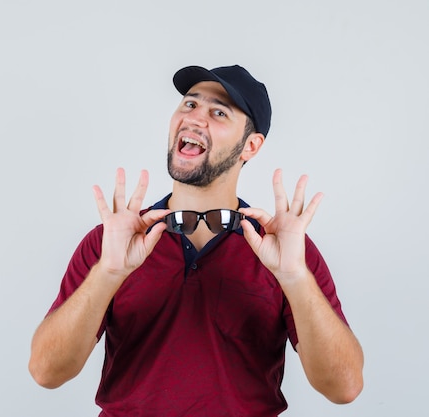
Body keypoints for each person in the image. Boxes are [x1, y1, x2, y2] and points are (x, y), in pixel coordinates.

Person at [28, 64, 364, 416]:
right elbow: (46, 372)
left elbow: (344, 387)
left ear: (250, 146)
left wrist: (294, 278)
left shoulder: (287, 251)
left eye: (218, 112)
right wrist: (108, 273)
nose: (195, 118)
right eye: (190, 105)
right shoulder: (113, 241)